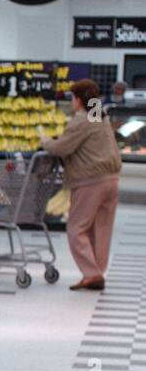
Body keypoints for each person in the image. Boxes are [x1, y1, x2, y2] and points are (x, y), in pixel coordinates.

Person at [39, 78, 122, 291]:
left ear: (78, 99)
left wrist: (44, 140)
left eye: (73, 98)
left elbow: (62, 148)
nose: (72, 102)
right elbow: (87, 138)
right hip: (111, 179)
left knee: (77, 227)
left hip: (90, 180)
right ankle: (95, 272)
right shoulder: (99, 116)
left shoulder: (82, 119)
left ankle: (92, 274)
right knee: (100, 228)